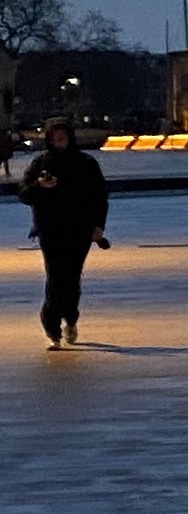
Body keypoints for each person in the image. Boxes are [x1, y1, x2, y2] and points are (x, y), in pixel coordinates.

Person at [18, 117, 108, 350]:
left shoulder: (86, 163)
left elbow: (99, 197)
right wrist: (40, 186)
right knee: (55, 276)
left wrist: (98, 226)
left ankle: (70, 318)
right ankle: (52, 325)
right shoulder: (41, 163)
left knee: (72, 277)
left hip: (79, 230)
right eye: (55, 138)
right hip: (51, 229)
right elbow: (25, 195)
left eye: (63, 138)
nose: (60, 142)